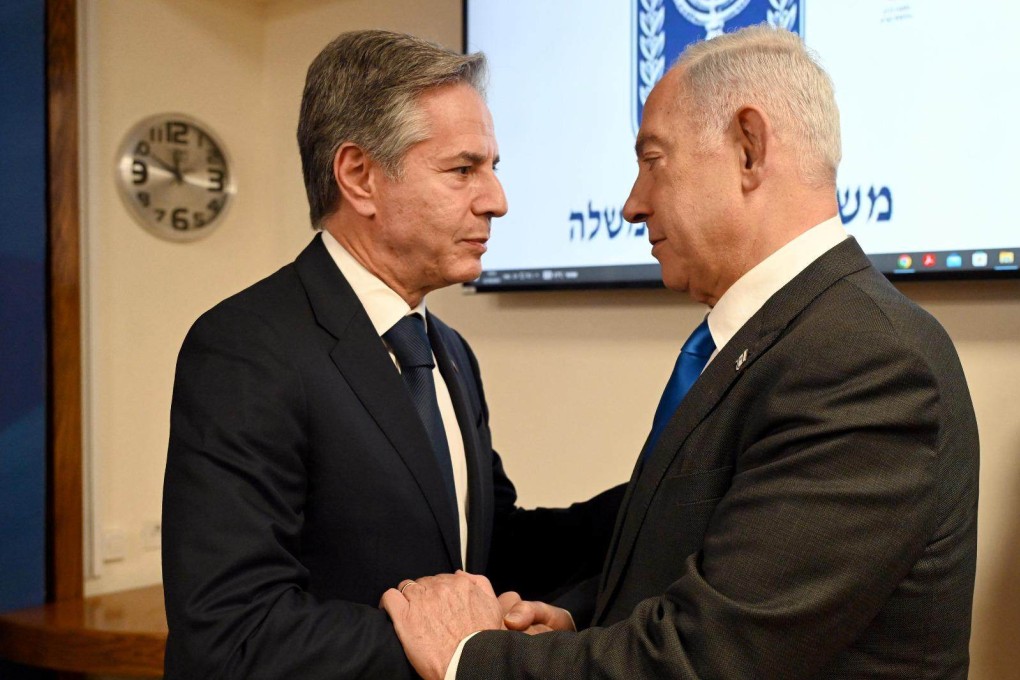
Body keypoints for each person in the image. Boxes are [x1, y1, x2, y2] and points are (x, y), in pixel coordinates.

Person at [381, 25, 979, 680]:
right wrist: (579, 618)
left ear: (749, 150)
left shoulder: (863, 361)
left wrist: (469, 657)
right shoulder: (782, 340)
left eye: (653, 161)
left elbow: (708, 657)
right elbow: (711, 566)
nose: (633, 205)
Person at [161, 30, 622, 679]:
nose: (497, 199)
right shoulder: (246, 348)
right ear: (359, 177)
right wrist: (458, 645)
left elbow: (487, 547)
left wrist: (664, 488)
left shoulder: (448, 352)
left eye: (493, 167)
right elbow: (232, 631)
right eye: (464, 170)